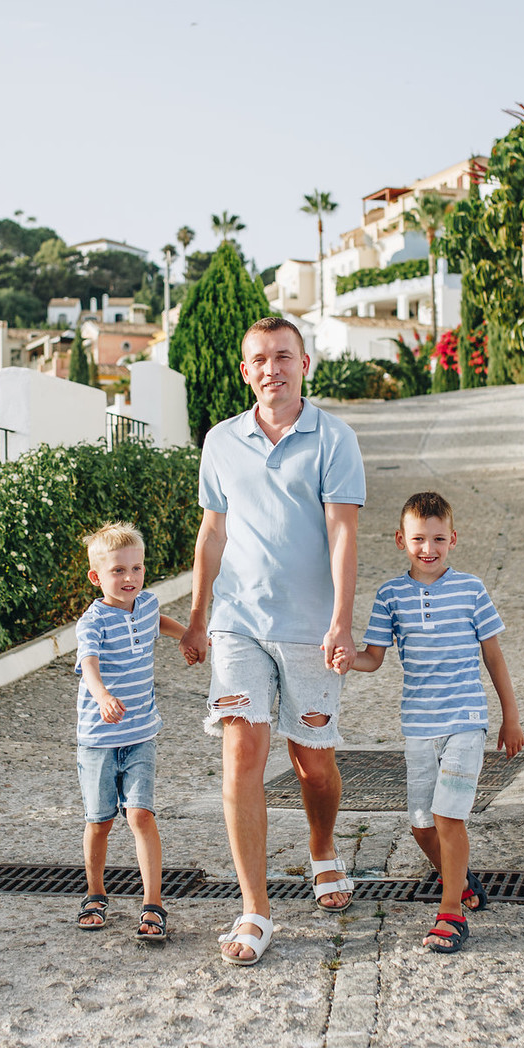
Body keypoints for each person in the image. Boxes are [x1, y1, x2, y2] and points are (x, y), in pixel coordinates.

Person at [180, 316, 365, 967]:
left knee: (313, 763)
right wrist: (199, 614)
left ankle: (321, 847)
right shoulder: (221, 441)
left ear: (304, 364)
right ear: (244, 370)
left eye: (283, 356)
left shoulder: (333, 439)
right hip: (237, 626)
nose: (271, 369)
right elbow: (212, 533)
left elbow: (343, 533)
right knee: (241, 753)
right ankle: (254, 909)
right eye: (259, 359)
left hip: (310, 630)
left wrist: (342, 620)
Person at [351, 491, 524, 954]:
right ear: (400, 540)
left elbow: (493, 656)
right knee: (422, 824)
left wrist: (511, 717)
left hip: (466, 719)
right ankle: (459, 878)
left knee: (449, 815)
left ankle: (451, 912)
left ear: (453, 539)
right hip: (419, 725)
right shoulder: (389, 595)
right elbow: (372, 658)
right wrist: (344, 657)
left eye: (438, 539)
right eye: (418, 539)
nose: (429, 548)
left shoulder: (471, 590)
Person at [73, 522, 186, 943]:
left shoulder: (147, 603)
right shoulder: (93, 621)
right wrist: (101, 695)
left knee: (140, 814)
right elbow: (88, 664)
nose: (130, 578)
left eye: (137, 568)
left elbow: (160, 621)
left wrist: (191, 637)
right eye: (118, 570)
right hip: (99, 740)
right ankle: (95, 893)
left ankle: (153, 903)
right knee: (100, 821)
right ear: (97, 577)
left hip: (140, 733)